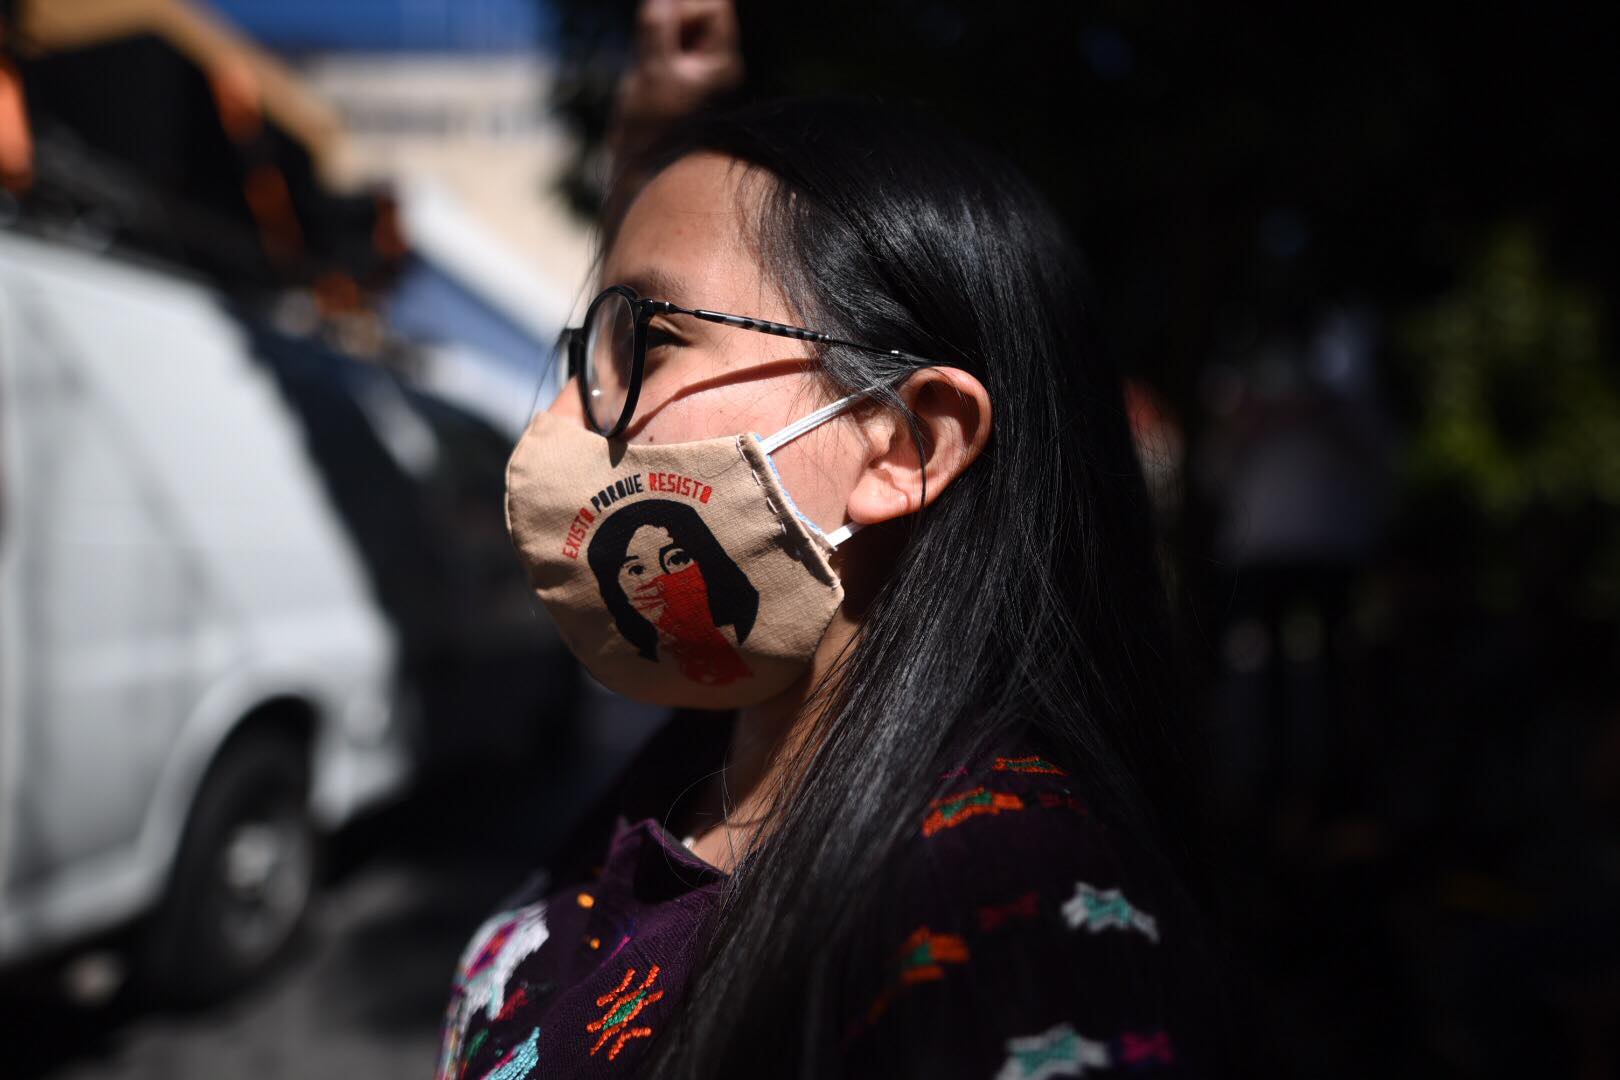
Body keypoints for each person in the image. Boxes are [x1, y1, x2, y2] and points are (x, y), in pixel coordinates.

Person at [435, 4, 1236, 1077]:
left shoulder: (1010, 921)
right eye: (593, 350)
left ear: (906, 446)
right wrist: (663, 145)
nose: (575, 418)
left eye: (649, 344)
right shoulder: (719, 755)